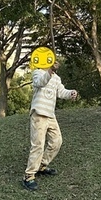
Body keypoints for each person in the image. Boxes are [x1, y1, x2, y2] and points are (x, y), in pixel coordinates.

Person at [23, 47, 78, 192]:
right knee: (38, 145)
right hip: (39, 114)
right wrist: (50, 71)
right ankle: (29, 176)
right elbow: (40, 82)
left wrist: (71, 94)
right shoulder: (37, 73)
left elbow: (61, 92)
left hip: (50, 115)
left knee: (57, 141)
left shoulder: (56, 78)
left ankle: (42, 165)